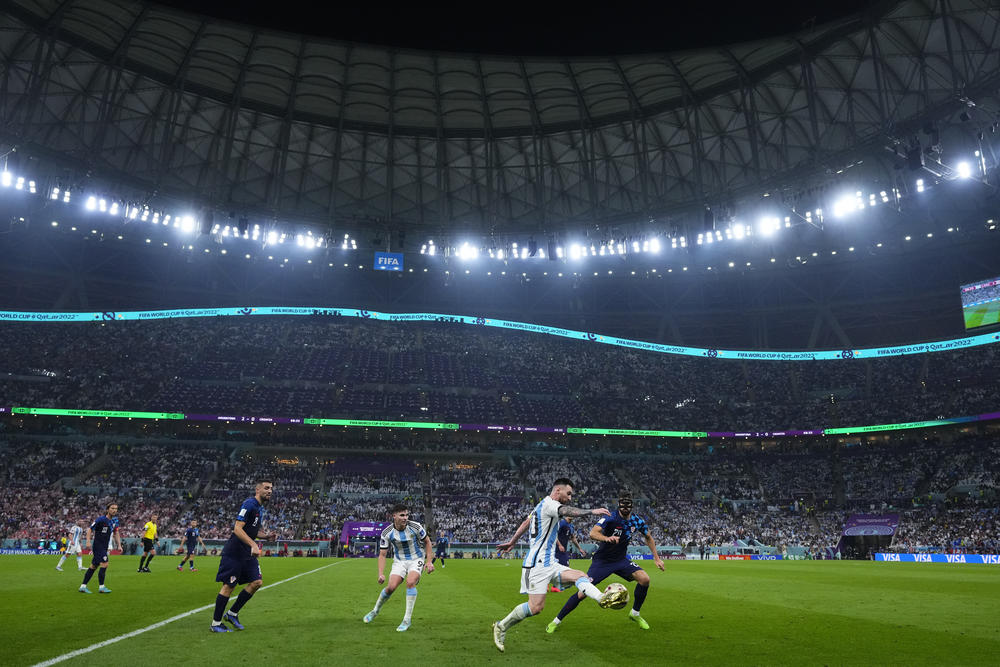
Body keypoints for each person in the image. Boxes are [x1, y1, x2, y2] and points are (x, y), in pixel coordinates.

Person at [491, 478, 616, 653]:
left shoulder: (541, 505)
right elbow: (565, 510)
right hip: (537, 565)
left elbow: (526, 523)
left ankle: (602, 598)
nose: (570, 497)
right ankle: (501, 626)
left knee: (580, 575)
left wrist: (512, 541)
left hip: (550, 562)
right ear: (558, 490)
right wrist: (592, 511)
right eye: (569, 493)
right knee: (536, 608)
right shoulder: (550, 505)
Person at [546, 489, 664, 633]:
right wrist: (606, 538)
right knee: (582, 593)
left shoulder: (637, 521)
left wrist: (656, 558)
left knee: (645, 579)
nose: (625, 507)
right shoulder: (611, 518)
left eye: (628, 505)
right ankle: (556, 621)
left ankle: (635, 614)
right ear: (619, 504)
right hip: (602, 562)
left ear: (632, 505)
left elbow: (648, 537)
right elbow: (593, 533)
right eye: (623, 504)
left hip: (621, 560)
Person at [210, 480, 272, 633]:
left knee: (257, 582)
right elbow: (237, 529)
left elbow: (252, 531)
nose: (270, 491)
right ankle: (216, 623)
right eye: (266, 488)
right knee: (229, 586)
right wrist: (253, 545)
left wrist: (266, 536)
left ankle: (232, 614)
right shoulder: (249, 504)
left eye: (271, 488)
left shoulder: (259, 508)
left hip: (247, 553)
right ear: (257, 490)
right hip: (235, 552)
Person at [363, 504, 435, 632]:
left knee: (410, 582)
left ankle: (407, 620)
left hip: (416, 559)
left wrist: (429, 562)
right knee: (391, 587)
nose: (405, 518)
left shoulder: (416, 526)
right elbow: (383, 554)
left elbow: (427, 542)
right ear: (394, 516)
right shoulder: (387, 532)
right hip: (399, 561)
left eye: (407, 515)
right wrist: (381, 573)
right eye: (402, 515)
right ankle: (375, 611)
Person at [79, 503, 118, 594]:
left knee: (93, 566)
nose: (114, 510)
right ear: (108, 509)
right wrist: (88, 541)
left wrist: (119, 545)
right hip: (98, 546)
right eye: (112, 508)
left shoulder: (113, 522)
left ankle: (83, 586)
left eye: (116, 509)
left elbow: (116, 533)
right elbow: (90, 529)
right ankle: (102, 587)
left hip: (104, 546)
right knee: (105, 564)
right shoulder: (101, 519)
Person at [549, 516, 586, 592]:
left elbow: (573, 538)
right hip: (555, 549)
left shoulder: (571, 526)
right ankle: (554, 587)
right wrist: (559, 545)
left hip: (562, 550)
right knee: (561, 567)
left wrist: (580, 548)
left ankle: (554, 586)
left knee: (564, 566)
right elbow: (553, 534)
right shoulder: (562, 523)